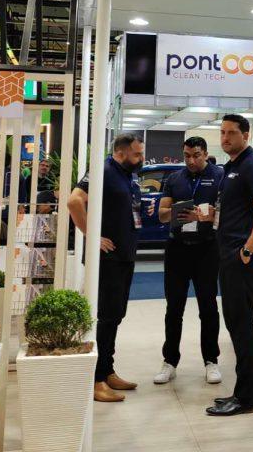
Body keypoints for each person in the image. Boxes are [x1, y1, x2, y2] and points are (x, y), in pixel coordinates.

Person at [206, 114, 253, 417]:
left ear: (245, 135)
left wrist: (246, 251)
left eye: (231, 133)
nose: (225, 138)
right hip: (231, 255)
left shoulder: (252, 165)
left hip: (243, 257)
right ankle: (248, 393)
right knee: (238, 324)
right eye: (222, 132)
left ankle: (246, 398)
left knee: (242, 325)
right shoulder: (232, 167)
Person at [67, 133, 146, 403]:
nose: (141, 158)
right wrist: (92, 235)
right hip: (108, 259)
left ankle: (108, 371)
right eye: (137, 154)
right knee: (106, 317)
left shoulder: (128, 175)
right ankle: (96, 379)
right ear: (121, 152)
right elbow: (74, 201)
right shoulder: (103, 171)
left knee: (115, 316)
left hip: (125, 255)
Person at [153, 137, 224, 386]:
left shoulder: (219, 176)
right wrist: (181, 213)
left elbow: (227, 213)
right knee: (174, 309)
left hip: (207, 249)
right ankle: (170, 362)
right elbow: (162, 215)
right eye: (187, 155)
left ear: (205, 153)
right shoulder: (175, 179)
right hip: (177, 249)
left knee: (208, 307)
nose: (191, 160)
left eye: (196, 155)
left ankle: (211, 361)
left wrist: (205, 216)